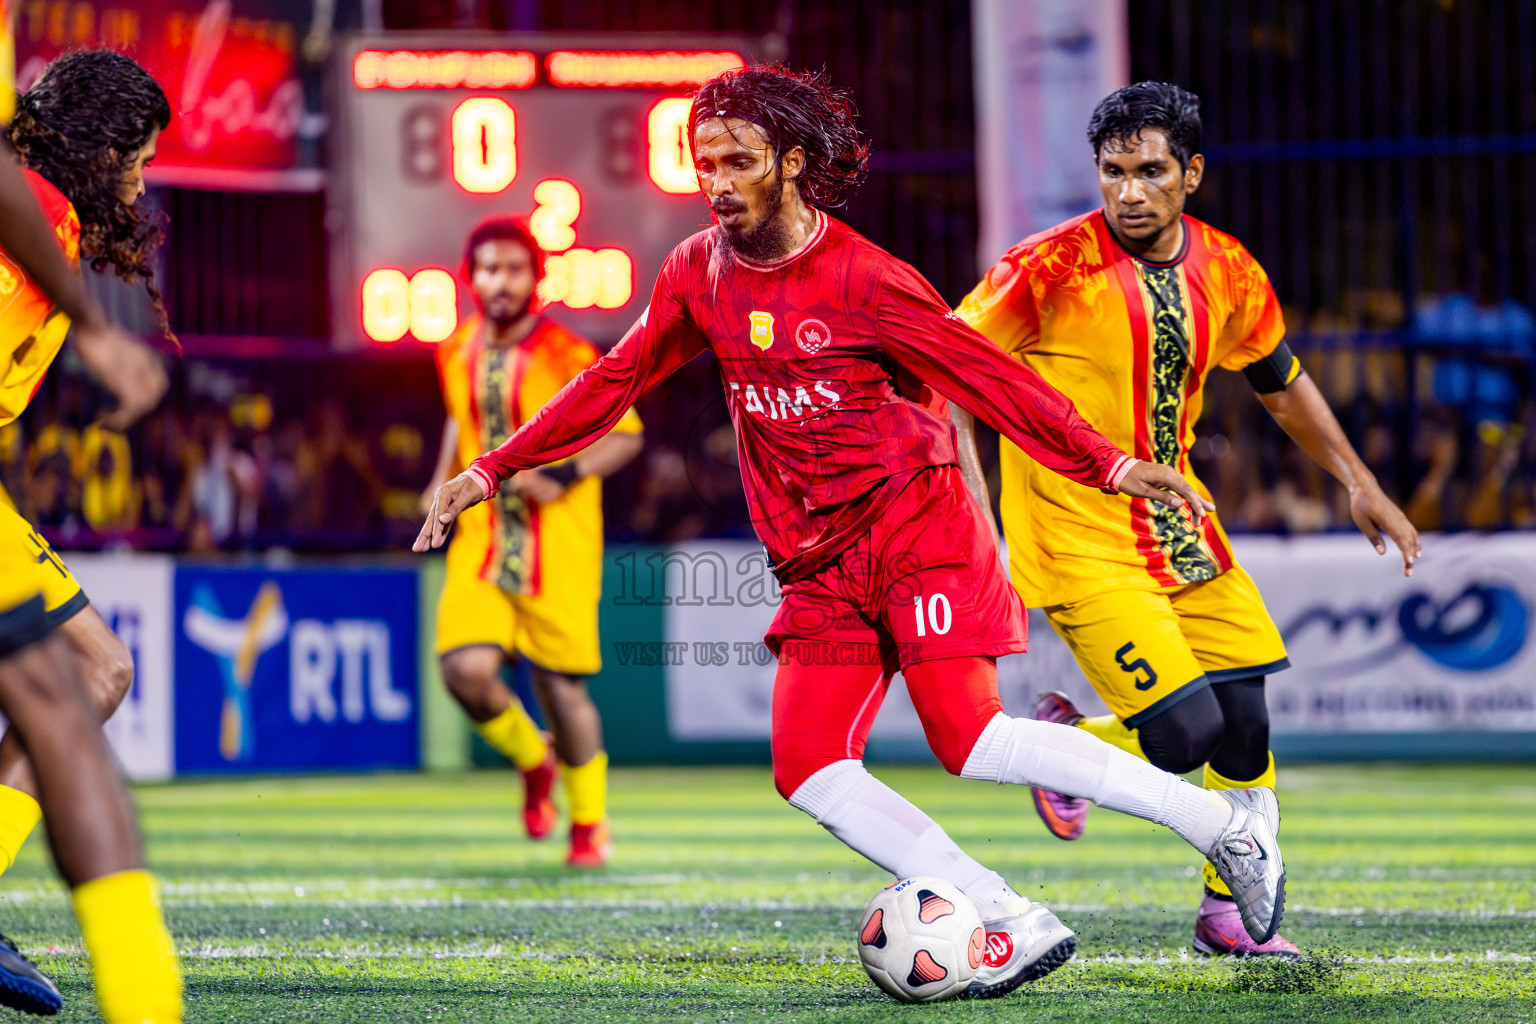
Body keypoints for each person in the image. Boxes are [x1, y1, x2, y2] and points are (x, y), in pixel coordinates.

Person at [418, 64, 1287, 997]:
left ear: (792, 162)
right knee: (808, 768)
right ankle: (1004, 914)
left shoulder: (867, 279)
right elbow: (609, 382)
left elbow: (990, 378)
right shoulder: (695, 273)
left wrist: (1106, 463)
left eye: (739, 162)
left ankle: (1223, 829)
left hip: (919, 531)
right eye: (705, 163)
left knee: (970, 739)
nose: (717, 182)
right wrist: (489, 469)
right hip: (819, 562)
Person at [952, 81, 1420, 957]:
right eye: (1113, 171)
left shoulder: (1230, 268)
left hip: (1181, 529)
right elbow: (948, 372)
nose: (1130, 192)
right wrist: (973, 517)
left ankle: (1224, 914)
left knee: (1246, 725)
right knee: (1183, 735)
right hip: (1076, 535)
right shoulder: (1042, 269)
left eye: (1151, 171)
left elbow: (1281, 384)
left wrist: (1359, 481)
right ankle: (1068, 746)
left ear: (1191, 173)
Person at [0, 41, 181, 1022]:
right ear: (100, 149)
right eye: (139, 160)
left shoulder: (50, 224)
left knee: (97, 671)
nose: (142, 183)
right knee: (87, 674)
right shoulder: (29, 212)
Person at [421, 215, 643, 867]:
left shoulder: (569, 355)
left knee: (561, 690)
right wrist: (439, 483)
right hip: (483, 539)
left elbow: (627, 435)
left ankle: (589, 826)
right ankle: (532, 758)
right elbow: (458, 420)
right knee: (463, 672)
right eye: (489, 268)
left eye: (515, 269)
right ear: (470, 278)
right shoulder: (453, 348)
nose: (501, 282)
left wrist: (564, 475)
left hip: (559, 544)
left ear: (536, 280)